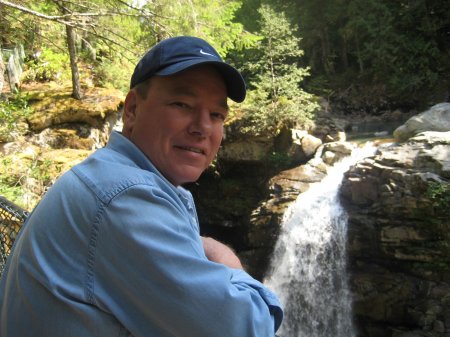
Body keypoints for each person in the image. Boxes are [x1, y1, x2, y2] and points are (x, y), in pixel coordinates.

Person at [0, 36, 283, 337]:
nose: (202, 127)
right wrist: (225, 260)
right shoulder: (125, 197)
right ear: (132, 109)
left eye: (217, 115)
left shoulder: (108, 175)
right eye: (182, 104)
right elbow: (249, 328)